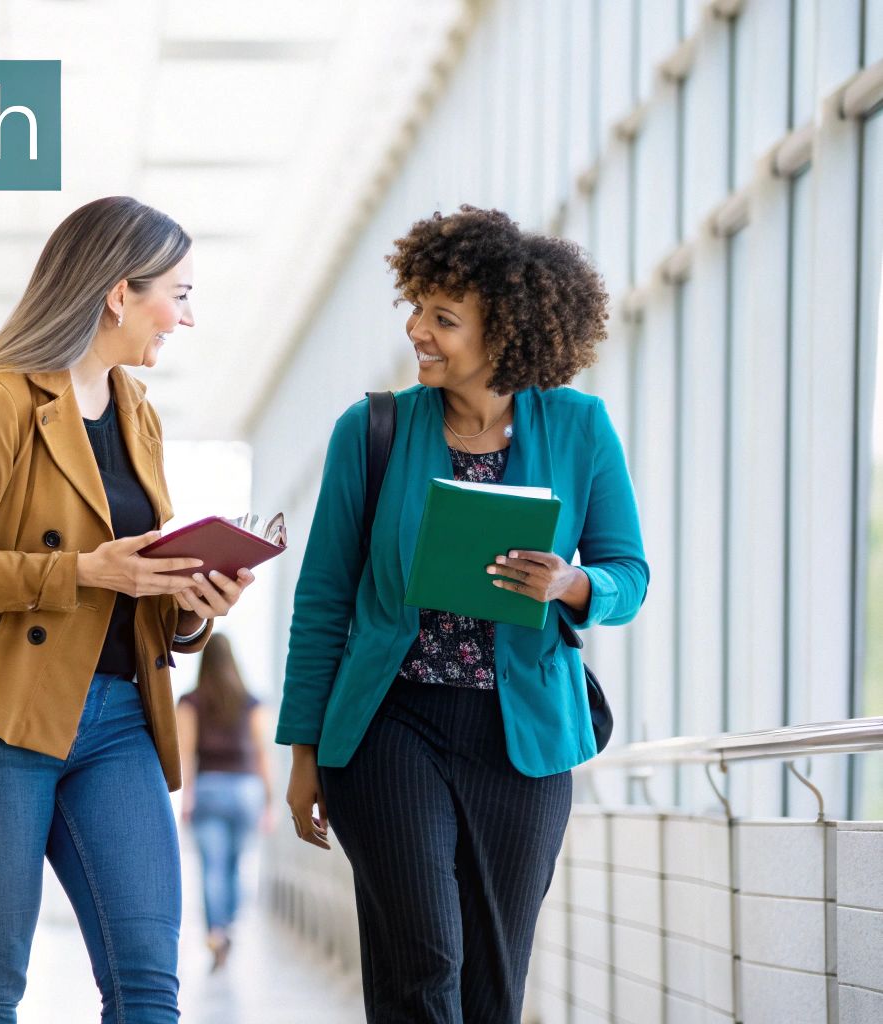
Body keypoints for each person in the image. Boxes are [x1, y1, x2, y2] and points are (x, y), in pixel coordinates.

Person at [277, 205, 648, 1023]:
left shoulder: (580, 428)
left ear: (505, 331)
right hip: (389, 724)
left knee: (491, 980)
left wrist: (571, 586)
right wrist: (303, 750)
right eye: (417, 309)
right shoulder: (371, 431)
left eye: (444, 318)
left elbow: (630, 573)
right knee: (424, 960)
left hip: (523, 739)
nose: (418, 331)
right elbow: (323, 603)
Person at [0, 195, 254, 1024]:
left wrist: (197, 604)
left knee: (148, 987)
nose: (187, 318)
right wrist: (84, 570)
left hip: (118, 718)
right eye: (181, 293)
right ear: (118, 292)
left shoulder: (140, 416)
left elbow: (133, 587)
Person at [174, 633, 276, 973]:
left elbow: (185, 752)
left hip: (209, 787)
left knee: (211, 867)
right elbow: (263, 754)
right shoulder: (250, 701)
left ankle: (216, 932)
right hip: (247, 790)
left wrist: (186, 798)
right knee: (235, 864)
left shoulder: (190, 701)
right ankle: (229, 926)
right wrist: (270, 801)